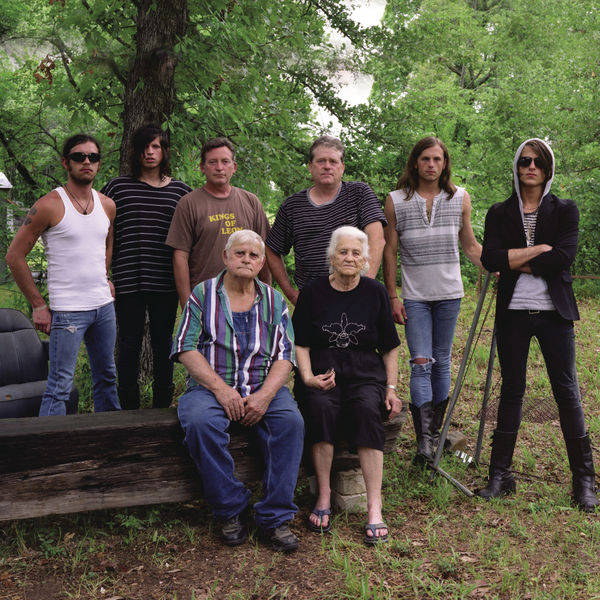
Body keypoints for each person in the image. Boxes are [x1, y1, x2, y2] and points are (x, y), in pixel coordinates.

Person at [478, 138, 598, 511]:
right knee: (512, 389)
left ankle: (584, 480)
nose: (531, 167)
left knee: (566, 391)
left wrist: (515, 260)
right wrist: (537, 251)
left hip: (554, 314)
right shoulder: (500, 212)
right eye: (525, 161)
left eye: (539, 162)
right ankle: (500, 475)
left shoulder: (565, 210)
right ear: (517, 167)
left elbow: (563, 258)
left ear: (548, 169)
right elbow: (490, 258)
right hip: (513, 313)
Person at [172, 230, 304, 551]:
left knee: (290, 423)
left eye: (253, 255)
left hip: (262, 384)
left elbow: (286, 355)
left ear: (262, 262)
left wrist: (266, 395)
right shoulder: (203, 294)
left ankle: (275, 516)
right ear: (226, 257)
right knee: (200, 422)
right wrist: (221, 390)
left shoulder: (273, 300)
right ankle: (231, 508)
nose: (246, 259)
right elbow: (185, 347)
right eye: (240, 253)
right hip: (211, 386)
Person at [293, 226, 402, 545]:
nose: (349, 258)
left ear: (365, 259)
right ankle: (324, 495)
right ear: (331, 257)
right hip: (322, 375)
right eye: (343, 252)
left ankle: (374, 507)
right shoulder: (312, 292)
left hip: (365, 375)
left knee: (368, 410)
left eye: (356, 253)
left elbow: (390, 347)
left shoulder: (375, 292)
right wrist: (307, 377)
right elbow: (300, 343)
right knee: (319, 408)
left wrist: (391, 388)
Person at [383, 136, 482, 464]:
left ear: (444, 164)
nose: (431, 164)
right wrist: (392, 294)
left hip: (449, 294)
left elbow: (470, 246)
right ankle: (424, 442)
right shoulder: (396, 200)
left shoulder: (460, 198)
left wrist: (495, 264)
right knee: (420, 362)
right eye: (425, 158)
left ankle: (436, 435)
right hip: (415, 297)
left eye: (437, 159)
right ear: (415, 162)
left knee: (441, 361)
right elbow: (389, 251)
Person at [6, 133, 120, 415]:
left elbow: (106, 244)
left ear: (99, 163)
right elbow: (14, 256)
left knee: (107, 378)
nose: (86, 162)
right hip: (68, 311)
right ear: (65, 162)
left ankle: (110, 437)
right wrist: (38, 305)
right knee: (60, 386)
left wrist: (105, 277)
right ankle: (48, 441)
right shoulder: (49, 205)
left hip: (104, 308)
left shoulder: (107, 205)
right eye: (79, 156)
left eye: (93, 157)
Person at [101, 125, 192, 410]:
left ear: (165, 151)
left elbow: (193, 238)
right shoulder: (117, 188)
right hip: (128, 280)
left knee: (163, 344)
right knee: (129, 344)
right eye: (144, 147)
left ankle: (162, 409)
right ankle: (128, 411)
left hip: (166, 282)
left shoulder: (181, 192)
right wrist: (103, 274)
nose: (150, 153)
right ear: (135, 151)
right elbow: (99, 232)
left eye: (156, 147)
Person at [266, 135, 386, 306]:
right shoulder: (292, 206)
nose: (327, 166)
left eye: (333, 161)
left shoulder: (359, 194)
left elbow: (377, 239)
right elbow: (271, 249)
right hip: (312, 301)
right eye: (321, 161)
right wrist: (291, 294)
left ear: (342, 167)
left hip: (355, 296)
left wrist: (365, 286)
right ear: (310, 166)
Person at [166, 137, 270, 307]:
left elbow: (265, 252)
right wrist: (187, 303)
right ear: (202, 167)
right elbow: (180, 257)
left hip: (247, 298)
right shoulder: (188, 204)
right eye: (212, 162)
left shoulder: (251, 202)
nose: (219, 167)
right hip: (205, 298)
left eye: (225, 162)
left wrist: (266, 297)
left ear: (234, 167)